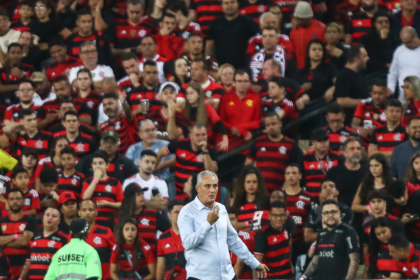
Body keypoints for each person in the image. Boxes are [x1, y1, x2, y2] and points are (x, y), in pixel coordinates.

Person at [177, 170, 269, 280]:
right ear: (198, 188)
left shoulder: (222, 209)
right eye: (207, 186)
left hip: (227, 276)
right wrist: (208, 224)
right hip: (200, 277)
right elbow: (187, 243)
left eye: (215, 186)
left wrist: (255, 263)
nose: (212, 190)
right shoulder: (187, 211)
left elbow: (234, 241)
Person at [156, 123, 218, 200]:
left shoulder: (211, 150)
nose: (201, 138)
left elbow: (212, 171)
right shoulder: (180, 143)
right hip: (179, 194)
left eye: (203, 134)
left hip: (199, 195)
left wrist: (205, 151)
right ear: (191, 136)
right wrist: (154, 167)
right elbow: (161, 152)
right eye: (197, 135)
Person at [301, 200, 360, 280]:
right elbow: (315, 260)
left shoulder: (348, 232)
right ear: (322, 216)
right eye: (326, 213)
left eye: (333, 212)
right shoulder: (321, 234)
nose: (330, 215)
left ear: (339, 213)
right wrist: (304, 276)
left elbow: (354, 262)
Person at [246, 112, 303, 194]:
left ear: (280, 124)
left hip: (280, 193)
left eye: (273, 124)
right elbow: (248, 166)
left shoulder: (291, 145)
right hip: (259, 193)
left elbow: (297, 169)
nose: (271, 127)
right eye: (268, 125)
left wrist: (285, 189)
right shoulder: (257, 142)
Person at [117, 183, 171, 252]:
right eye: (138, 194)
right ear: (130, 198)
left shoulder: (154, 214)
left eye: (142, 194)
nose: (142, 197)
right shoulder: (119, 217)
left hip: (151, 259)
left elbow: (170, 231)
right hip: (126, 260)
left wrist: (161, 247)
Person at [205, 0, 260, 69]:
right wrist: (209, 62)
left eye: (232, 2)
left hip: (243, 67)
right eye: (226, 3)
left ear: (237, 4)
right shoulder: (215, 23)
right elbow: (209, 46)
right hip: (221, 68)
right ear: (222, 6)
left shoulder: (248, 22)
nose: (229, 5)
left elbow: (257, 42)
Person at [20, 207, 69, 280]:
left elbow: (66, 265)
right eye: (47, 215)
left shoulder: (64, 239)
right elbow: (28, 263)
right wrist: (20, 278)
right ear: (43, 218)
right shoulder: (34, 238)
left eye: (54, 216)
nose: (50, 218)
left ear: (59, 221)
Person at [219, 70, 261, 151]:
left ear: (249, 83)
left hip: (248, 141)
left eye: (245, 81)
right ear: (234, 83)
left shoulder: (256, 98)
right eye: (239, 81)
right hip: (229, 141)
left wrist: (240, 128)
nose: (243, 84)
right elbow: (221, 121)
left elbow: (257, 122)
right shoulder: (225, 99)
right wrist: (241, 131)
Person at [0, 189, 36, 279]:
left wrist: (4, 241)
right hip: (4, 268)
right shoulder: (1, 221)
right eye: (11, 199)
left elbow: (25, 242)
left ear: (23, 201)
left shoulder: (31, 220)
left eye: (18, 199)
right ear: (7, 202)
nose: (15, 201)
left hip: (23, 269)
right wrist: (15, 236)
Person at [82, 151, 124, 226]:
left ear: (107, 165)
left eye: (100, 163)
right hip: (92, 222)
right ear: (92, 166)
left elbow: (121, 204)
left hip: (110, 222)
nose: (97, 166)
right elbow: (85, 198)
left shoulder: (115, 182)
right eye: (95, 164)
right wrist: (96, 179)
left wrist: (108, 204)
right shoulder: (88, 181)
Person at [184, 83, 229, 150]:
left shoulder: (207, 107)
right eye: (188, 93)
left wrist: (225, 139)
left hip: (205, 140)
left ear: (199, 94)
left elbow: (219, 123)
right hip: (189, 140)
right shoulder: (184, 110)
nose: (189, 96)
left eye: (192, 93)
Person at [79, 199, 116, 280]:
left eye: (91, 210)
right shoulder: (74, 234)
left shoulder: (106, 231)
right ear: (79, 213)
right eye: (84, 210)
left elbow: (116, 255)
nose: (87, 212)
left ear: (96, 212)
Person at [325, 137, 368, 207]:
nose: (356, 151)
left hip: (363, 214)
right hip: (340, 213)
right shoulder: (334, 172)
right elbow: (324, 195)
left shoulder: (368, 172)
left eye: (358, 148)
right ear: (345, 153)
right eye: (352, 149)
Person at [302, 128, 344, 196]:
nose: (323, 143)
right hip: (310, 197)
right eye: (320, 140)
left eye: (325, 140)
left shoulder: (338, 157)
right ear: (313, 142)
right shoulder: (305, 158)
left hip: (332, 197)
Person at [335, 44, 370, 126]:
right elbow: (341, 101)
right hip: (350, 123)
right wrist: (365, 102)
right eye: (364, 56)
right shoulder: (343, 76)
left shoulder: (360, 74)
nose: (368, 58)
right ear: (356, 59)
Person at [0, 43, 34, 119]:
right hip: (5, 104)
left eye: (18, 53)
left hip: (27, 104)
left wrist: (23, 75)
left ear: (22, 54)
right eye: (12, 53)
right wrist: (20, 87)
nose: (16, 55)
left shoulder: (30, 68)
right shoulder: (1, 71)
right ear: (8, 54)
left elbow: (36, 84)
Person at [232, 165, 270, 231]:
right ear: (243, 184)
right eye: (248, 182)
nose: (251, 184)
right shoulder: (237, 203)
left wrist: (243, 225)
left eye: (254, 182)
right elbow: (232, 225)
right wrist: (249, 223)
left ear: (259, 184)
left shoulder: (265, 202)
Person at [297, 39, 336, 103]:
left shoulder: (330, 67)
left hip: (324, 104)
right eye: (314, 49)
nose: (317, 51)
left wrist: (331, 90)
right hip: (304, 106)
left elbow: (339, 83)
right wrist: (301, 88)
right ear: (308, 52)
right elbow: (293, 89)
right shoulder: (301, 72)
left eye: (320, 49)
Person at [156, 200, 187, 280]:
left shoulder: (193, 234)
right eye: (176, 212)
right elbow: (161, 267)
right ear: (169, 215)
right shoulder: (162, 238)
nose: (180, 215)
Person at [289, 1, 325, 69]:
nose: (300, 22)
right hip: (299, 69)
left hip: (318, 68)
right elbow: (292, 52)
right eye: (298, 19)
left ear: (310, 17)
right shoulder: (294, 31)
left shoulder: (321, 29)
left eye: (302, 19)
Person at [388, 27, 420, 100]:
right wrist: (391, 88)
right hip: (403, 95)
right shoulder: (399, 50)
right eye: (404, 43)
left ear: (416, 36)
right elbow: (393, 73)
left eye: (409, 42)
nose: (406, 45)